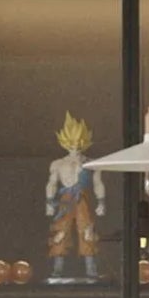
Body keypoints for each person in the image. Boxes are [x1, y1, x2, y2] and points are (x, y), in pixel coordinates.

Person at [45, 113, 105, 285]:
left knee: (87, 231)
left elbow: (98, 183)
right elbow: (51, 184)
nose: (75, 147)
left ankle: (91, 270)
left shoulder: (91, 163)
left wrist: (101, 202)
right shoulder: (58, 164)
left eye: (79, 143)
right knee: (61, 231)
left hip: (82, 198)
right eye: (71, 143)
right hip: (66, 199)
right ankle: (57, 271)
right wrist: (49, 203)